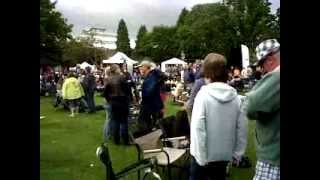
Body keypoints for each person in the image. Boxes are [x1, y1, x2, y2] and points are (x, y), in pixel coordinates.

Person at [190, 53, 246, 180]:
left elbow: (198, 129)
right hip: (223, 156)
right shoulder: (236, 98)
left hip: (202, 159)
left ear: (207, 73)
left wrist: (201, 159)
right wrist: (237, 154)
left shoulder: (203, 96)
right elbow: (242, 128)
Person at [246, 39, 280, 180]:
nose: (261, 69)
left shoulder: (277, 76)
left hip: (273, 157)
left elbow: (250, 105)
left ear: (270, 59)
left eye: (261, 64)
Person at [103, 64, 131, 145]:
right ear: (116, 69)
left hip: (114, 102)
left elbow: (105, 93)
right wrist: (129, 99)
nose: (120, 69)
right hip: (123, 102)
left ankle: (117, 141)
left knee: (116, 121)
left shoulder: (108, 79)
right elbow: (127, 90)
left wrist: (110, 100)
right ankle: (125, 141)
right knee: (124, 122)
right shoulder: (122, 77)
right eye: (118, 68)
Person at [137, 60, 164, 135]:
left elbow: (149, 91)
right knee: (149, 121)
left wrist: (143, 94)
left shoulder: (152, 76)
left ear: (146, 67)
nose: (140, 69)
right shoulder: (150, 76)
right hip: (151, 103)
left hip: (150, 104)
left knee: (142, 120)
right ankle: (149, 136)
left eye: (141, 67)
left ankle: (147, 137)